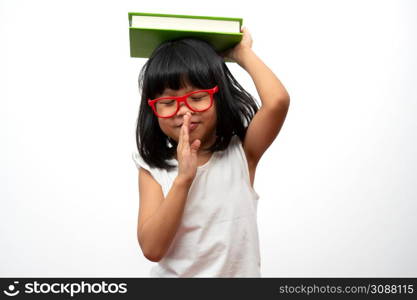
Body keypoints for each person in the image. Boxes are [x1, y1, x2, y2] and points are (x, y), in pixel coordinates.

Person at [132, 27, 290, 277]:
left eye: (197, 97)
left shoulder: (242, 153)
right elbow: (152, 248)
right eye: (168, 103)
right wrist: (183, 179)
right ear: (153, 110)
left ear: (219, 98)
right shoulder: (153, 168)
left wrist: (242, 53)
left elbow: (277, 101)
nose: (184, 111)